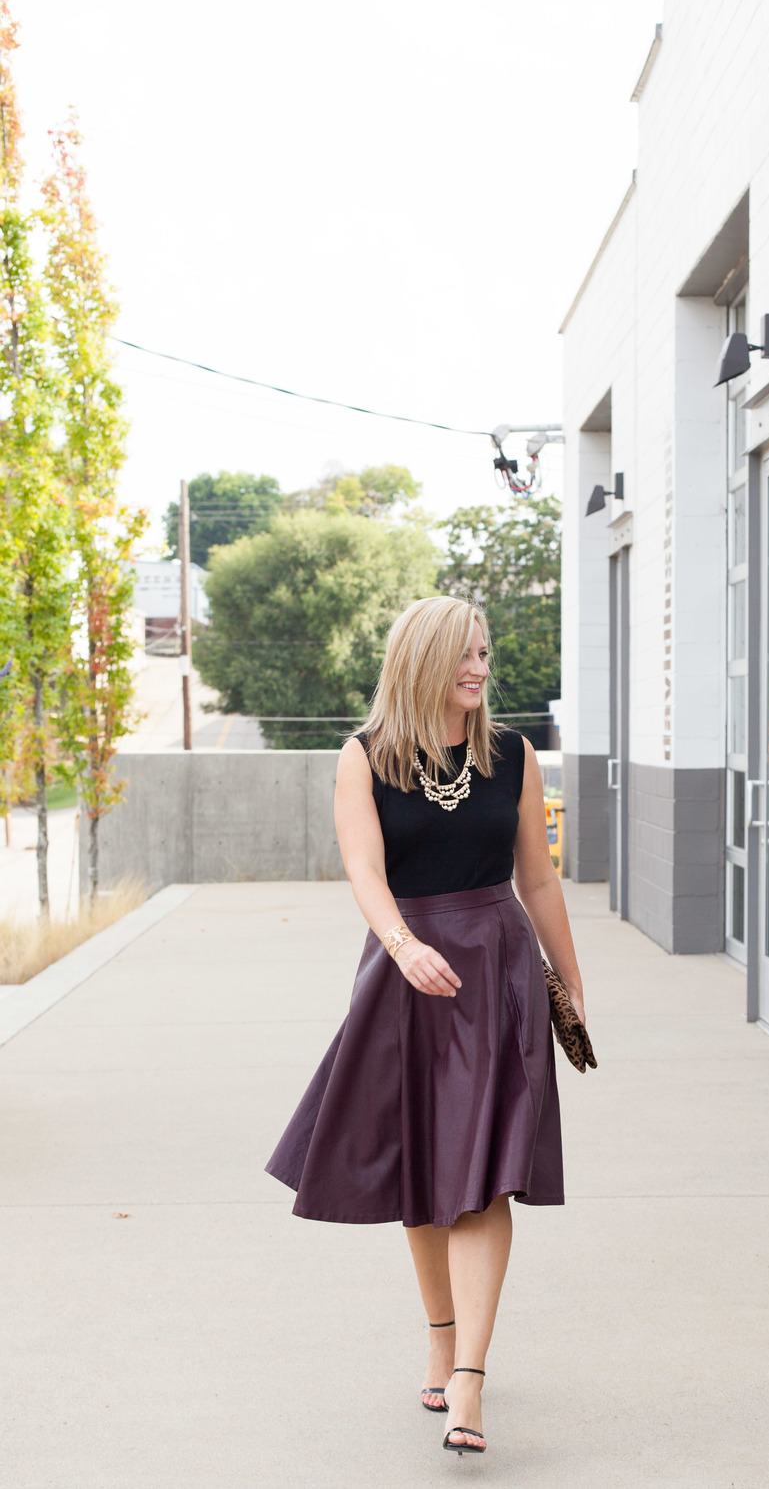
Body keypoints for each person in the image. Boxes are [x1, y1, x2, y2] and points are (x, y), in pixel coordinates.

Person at [266, 594, 585, 1457]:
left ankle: (469, 1378)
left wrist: (570, 982)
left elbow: (539, 879)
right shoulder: (365, 757)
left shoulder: (514, 755)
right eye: (464, 655)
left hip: (499, 971)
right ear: (422, 661)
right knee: (423, 1166)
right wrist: (403, 945)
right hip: (406, 973)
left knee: (485, 1175)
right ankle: (441, 1338)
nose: (480, 668)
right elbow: (365, 871)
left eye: (483, 653)